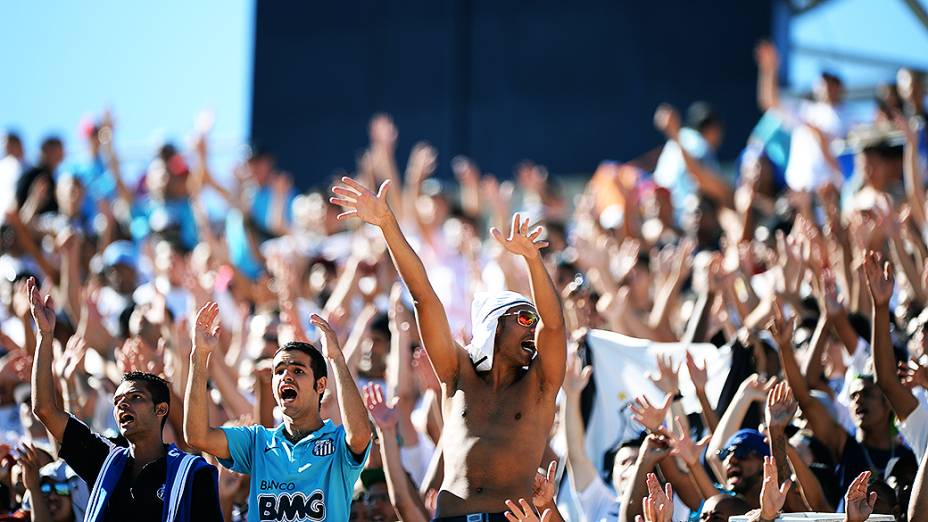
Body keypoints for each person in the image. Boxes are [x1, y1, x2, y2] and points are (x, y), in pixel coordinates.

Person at [330, 176, 567, 520]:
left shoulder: (540, 384)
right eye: (524, 319)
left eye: (535, 321)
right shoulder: (457, 374)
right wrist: (387, 224)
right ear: (492, 326)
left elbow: (555, 324)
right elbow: (423, 296)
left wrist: (532, 260)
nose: (535, 327)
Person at [26, 279, 223, 522]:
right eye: (117, 400)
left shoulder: (193, 474)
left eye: (136, 397)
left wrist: (196, 357)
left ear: (161, 409)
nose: (122, 404)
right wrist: (45, 336)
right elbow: (44, 409)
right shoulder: (103, 460)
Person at [183, 302, 372, 522]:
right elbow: (197, 436)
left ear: (320, 385)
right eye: (279, 371)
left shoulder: (337, 442)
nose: (286, 377)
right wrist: (199, 357)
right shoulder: (256, 442)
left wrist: (337, 360)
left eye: (298, 370)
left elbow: (360, 435)